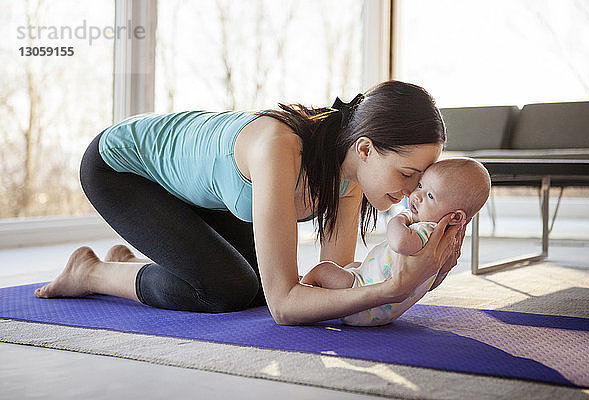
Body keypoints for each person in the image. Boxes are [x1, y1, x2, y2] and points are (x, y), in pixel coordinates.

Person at [34, 80, 466, 325]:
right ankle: (91, 271)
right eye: (408, 175)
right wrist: (394, 286)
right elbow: (286, 307)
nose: (412, 193)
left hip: (199, 192)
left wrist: (427, 271)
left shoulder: (351, 178)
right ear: (367, 148)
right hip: (122, 168)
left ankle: (139, 258)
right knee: (231, 290)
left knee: (260, 283)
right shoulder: (279, 148)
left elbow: (336, 284)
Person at [300, 158, 491, 326]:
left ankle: (303, 292)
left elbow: (399, 243)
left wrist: (399, 219)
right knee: (352, 266)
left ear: (456, 217)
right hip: (381, 311)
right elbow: (431, 283)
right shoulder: (442, 246)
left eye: (430, 196)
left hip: (362, 297)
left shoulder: (425, 230)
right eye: (420, 186)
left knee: (324, 269)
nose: (417, 195)